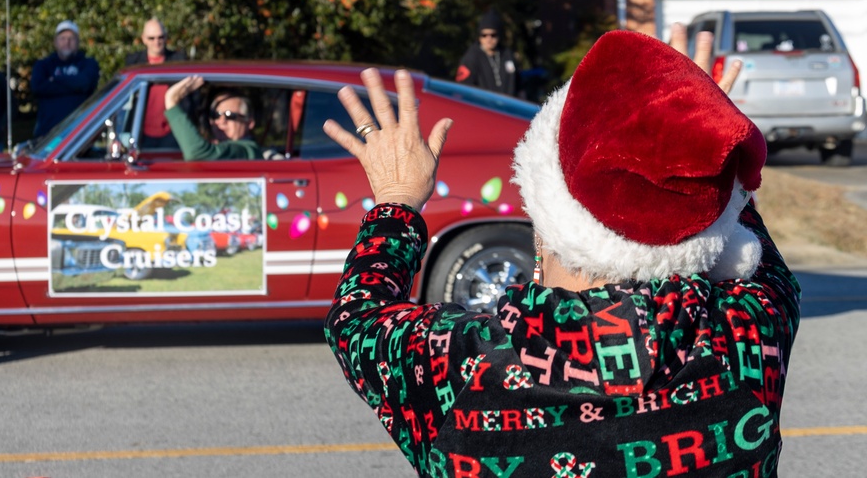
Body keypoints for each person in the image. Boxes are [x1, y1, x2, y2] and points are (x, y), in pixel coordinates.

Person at [321, 30, 799, 477]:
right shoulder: (746, 341)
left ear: (544, 220)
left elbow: (357, 320)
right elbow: (749, 247)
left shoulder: (457, 366)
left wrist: (399, 199)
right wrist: (701, 148)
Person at [163, 75, 261, 161]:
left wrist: (171, 102)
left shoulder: (245, 150)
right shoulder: (217, 149)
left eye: (229, 115)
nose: (221, 121)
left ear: (249, 122)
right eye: (216, 115)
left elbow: (197, 153)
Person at [30, 20, 100, 137]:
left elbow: (85, 83)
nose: (66, 42)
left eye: (71, 38)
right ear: (55, 42)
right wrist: (74, 86)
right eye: (62, 38)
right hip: (47, 133)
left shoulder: (88, 63)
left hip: (79, 133)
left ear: (77, 42)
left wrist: (55, 79)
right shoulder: (44, 65)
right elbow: (37, 87)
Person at [125, 18, 188, 148]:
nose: (157, 42)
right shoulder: (134, 63)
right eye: (151, 38)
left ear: (166, 37)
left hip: (173, 131)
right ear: (143, 39)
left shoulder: (179, 61)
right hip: (141, 132)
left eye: (160, 37)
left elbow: (192, 97)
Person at [455, 9, 519, 95]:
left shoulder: (507, 55)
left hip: (508, 107)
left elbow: (519, 85)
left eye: (493, 35)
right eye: (484, 35)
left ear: (499, 35)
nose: (489, 39)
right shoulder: (471, 58)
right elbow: (462, 89)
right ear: (479, 36)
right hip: (482, 107)